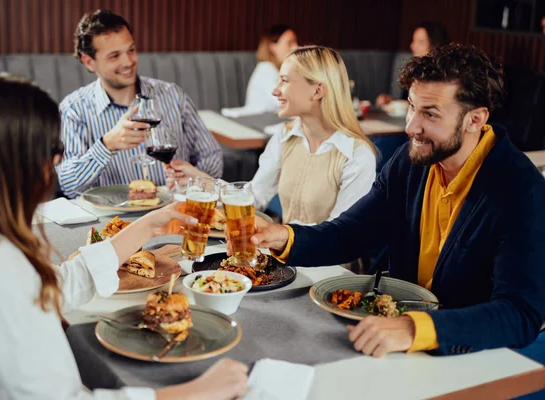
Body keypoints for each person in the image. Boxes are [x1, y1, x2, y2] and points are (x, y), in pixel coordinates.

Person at [233, 44, 545, 364]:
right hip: (393, 340)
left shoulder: (522, 191)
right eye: (411, 106)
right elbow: (351, 232)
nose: (410, 126)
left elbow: (519, 314)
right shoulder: (411, 163)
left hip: (469, 353)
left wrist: (413, 329)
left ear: (475, 119)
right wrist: (282, 235)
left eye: (430, 114)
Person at [0, 74, 248, 399]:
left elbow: (50, 290)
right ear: (10, 163)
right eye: (51, 148)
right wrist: (193, 393)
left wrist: (146, 226)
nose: (58, 158)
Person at [171, 46, 377, 224]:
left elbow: (342, 235)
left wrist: (279, 236)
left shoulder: (357, 155)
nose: (275, 91)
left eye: (285, 81)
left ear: (317, 91)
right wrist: (199, 178)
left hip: (334, 269)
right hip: (288, 260)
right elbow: (254, 197)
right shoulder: (285, 136)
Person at [56, 10, 223, 198]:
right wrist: (107, 145)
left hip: (173, 212)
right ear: (89, 62)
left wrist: (195, 184)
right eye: (114, 56)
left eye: (131, 50)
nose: (128, 61)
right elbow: (69, 185)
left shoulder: (172, 95)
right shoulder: (73, 109)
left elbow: (211, 155)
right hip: (114, 222)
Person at [221, 24, 298, 117]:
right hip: (257, 120)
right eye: (290, 43)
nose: (296, 47)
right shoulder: (265, 69)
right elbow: (282, 100)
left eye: (295, 42)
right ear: (273, 46)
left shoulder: (278, 70)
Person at [376, 21, 450, 106]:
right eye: (414, 41)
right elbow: (406, 101)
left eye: (420, 42)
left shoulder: (444, 77)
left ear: (436, 45)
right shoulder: (414, 70)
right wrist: (391, 101)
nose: (412, 46)